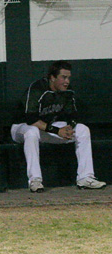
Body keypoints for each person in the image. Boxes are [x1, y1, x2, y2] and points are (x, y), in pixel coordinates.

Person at [12, 60, 106, 192]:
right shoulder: (37, 88)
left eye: (68, 78)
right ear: (52, 77)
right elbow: (31, 119)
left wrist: (70, 127)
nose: (67, 81)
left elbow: (73, 115)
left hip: (48, 128)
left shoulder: (67, 91)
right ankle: (35, 180)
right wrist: (57, 131)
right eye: (63, 77)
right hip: (21, 128)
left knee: (82, 130)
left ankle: (85, 177)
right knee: (32, 132)